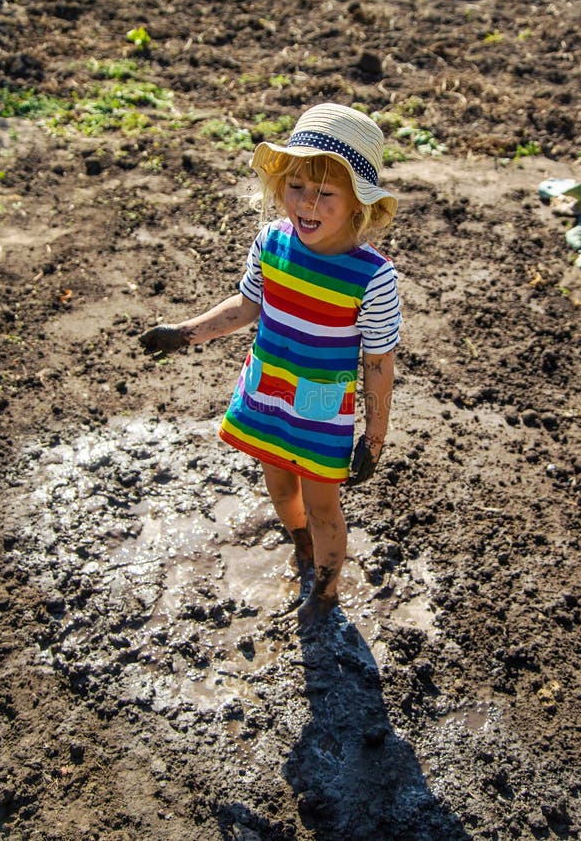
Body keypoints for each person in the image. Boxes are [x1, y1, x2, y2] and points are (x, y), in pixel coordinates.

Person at [140, 102, 402, 626]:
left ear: (358, 203)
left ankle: (325, 593)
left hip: (320, 409)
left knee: (324, 506)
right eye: (296, 186)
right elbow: (246, 306)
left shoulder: (373, 277)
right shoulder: (272, 241)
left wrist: (374, 437)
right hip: (266, 392)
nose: (306, 203)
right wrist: (185, 333)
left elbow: (378, 363)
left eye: (325, 193)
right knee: (280, 489)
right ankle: (301, 544)